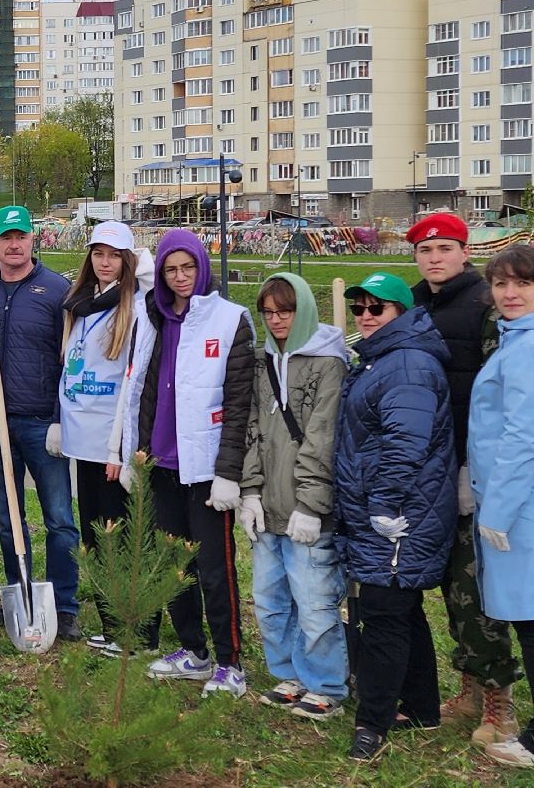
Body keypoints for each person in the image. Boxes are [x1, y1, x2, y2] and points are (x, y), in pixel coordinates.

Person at [121, 228, 254, 697]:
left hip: (205, 467)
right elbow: (145, 390)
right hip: (163, 460)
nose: (180, 278)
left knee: (215, 567)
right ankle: (193, 651)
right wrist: (138, 450)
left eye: (188, 268)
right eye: (170, 270)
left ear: (203, 267)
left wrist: (229, 472)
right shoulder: (154, 319)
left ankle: (230, 660)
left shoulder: (229, 320)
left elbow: (239, 403)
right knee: (172, 563)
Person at [406, 213, 519, 744]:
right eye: (426, 251)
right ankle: (471, 684)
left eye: (445, 248)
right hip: (427, 463)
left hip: (472, 466)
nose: (435, 258)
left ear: (463, 252)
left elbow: (497, 396)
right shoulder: (411, 303)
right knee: (451, 582)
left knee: (476, 584)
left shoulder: (484, 307)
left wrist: (476, 467)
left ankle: (500, 698)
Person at [335, 272, 456, 763]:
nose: (365, 316)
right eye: (360, 307)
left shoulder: (406, 364)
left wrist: (384, 506)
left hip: (400, 514)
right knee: (402, 607)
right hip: (388, 507)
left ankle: (373, 721)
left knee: (382, 614)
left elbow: (406, 444)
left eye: (376, 309)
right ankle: (422, 706)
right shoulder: (382, 359)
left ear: (401, 313)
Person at [238, 273, 350, 720]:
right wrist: (249, 490)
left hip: (306, 507)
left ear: (302, 309)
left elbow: (322, 437)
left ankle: (326, 683)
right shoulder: (264, 361)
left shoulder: (328, 363)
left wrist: (312, 504)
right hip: (268, 505)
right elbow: (252, 429)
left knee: (314, 600)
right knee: (269, 598)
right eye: (268, 312)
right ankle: (289, 673)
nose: (276, 320)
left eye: (285, 311)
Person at [0, 205, 76, 638]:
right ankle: (21, 591)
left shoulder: (57, 291)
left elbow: (71, 361)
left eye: (21, 236)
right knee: (6, 516)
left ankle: (64, 607)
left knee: (58, 518)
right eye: (5, 237)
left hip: (41, 424)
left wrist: (57, 419)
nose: (14, 244)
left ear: (33, 239)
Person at [59, 220, 155, 655]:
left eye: (115, 255)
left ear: (128, 260)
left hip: (110, 444)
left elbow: (132, 386)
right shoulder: (80, 304)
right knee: (94, 536)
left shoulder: (134, 308)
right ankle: (111, 622)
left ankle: (137, 630)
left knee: (121, 536)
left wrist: (120, 446)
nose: (105, 262)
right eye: (99, 254)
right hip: (82, 439)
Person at [467, 244, 534, 767]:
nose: (509, 294)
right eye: (501, 284)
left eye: (522, 284)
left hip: (518, 512)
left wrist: (496, 511)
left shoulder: (528, 347)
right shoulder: (516, 340)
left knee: (531, 620)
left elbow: (522, 436)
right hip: (512, 504)